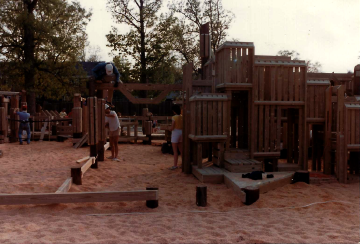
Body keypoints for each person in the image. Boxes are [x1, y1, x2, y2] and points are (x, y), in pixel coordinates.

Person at [169, 104, 183, 170]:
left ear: (174, 111)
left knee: (175, 151)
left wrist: (169, 129)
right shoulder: (182, 117)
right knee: (181, 150)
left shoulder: (174, 117)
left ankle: (175, 165)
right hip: (181, 132)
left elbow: (172, 127)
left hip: (175, 132)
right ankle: (183, 163)